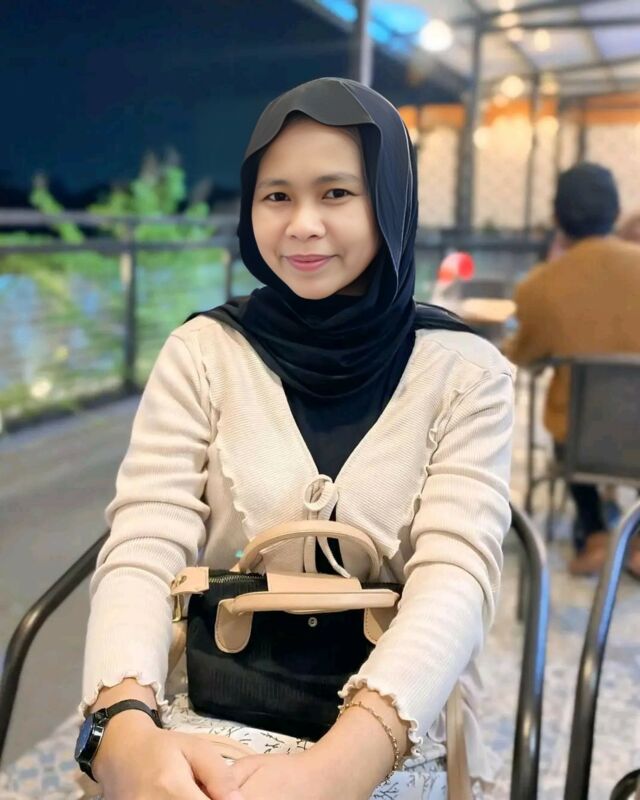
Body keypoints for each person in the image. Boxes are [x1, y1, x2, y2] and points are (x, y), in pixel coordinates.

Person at [78, 78, 513, 800]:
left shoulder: (466, 373)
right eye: (276, 195)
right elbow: (144, 544)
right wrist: (120, 726)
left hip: (393, 729)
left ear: (390, 203)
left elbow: (455, 579)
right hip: (212, 701)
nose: (302, 225)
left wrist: (332, 772)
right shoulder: (203, 353)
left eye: (336, 193)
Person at [504, 162, 640, 577]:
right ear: (615, 212)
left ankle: (596, 534)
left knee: (570, 428)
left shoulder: (540, 287)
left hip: (584, 443)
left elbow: (523, 357)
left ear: (557, 217)